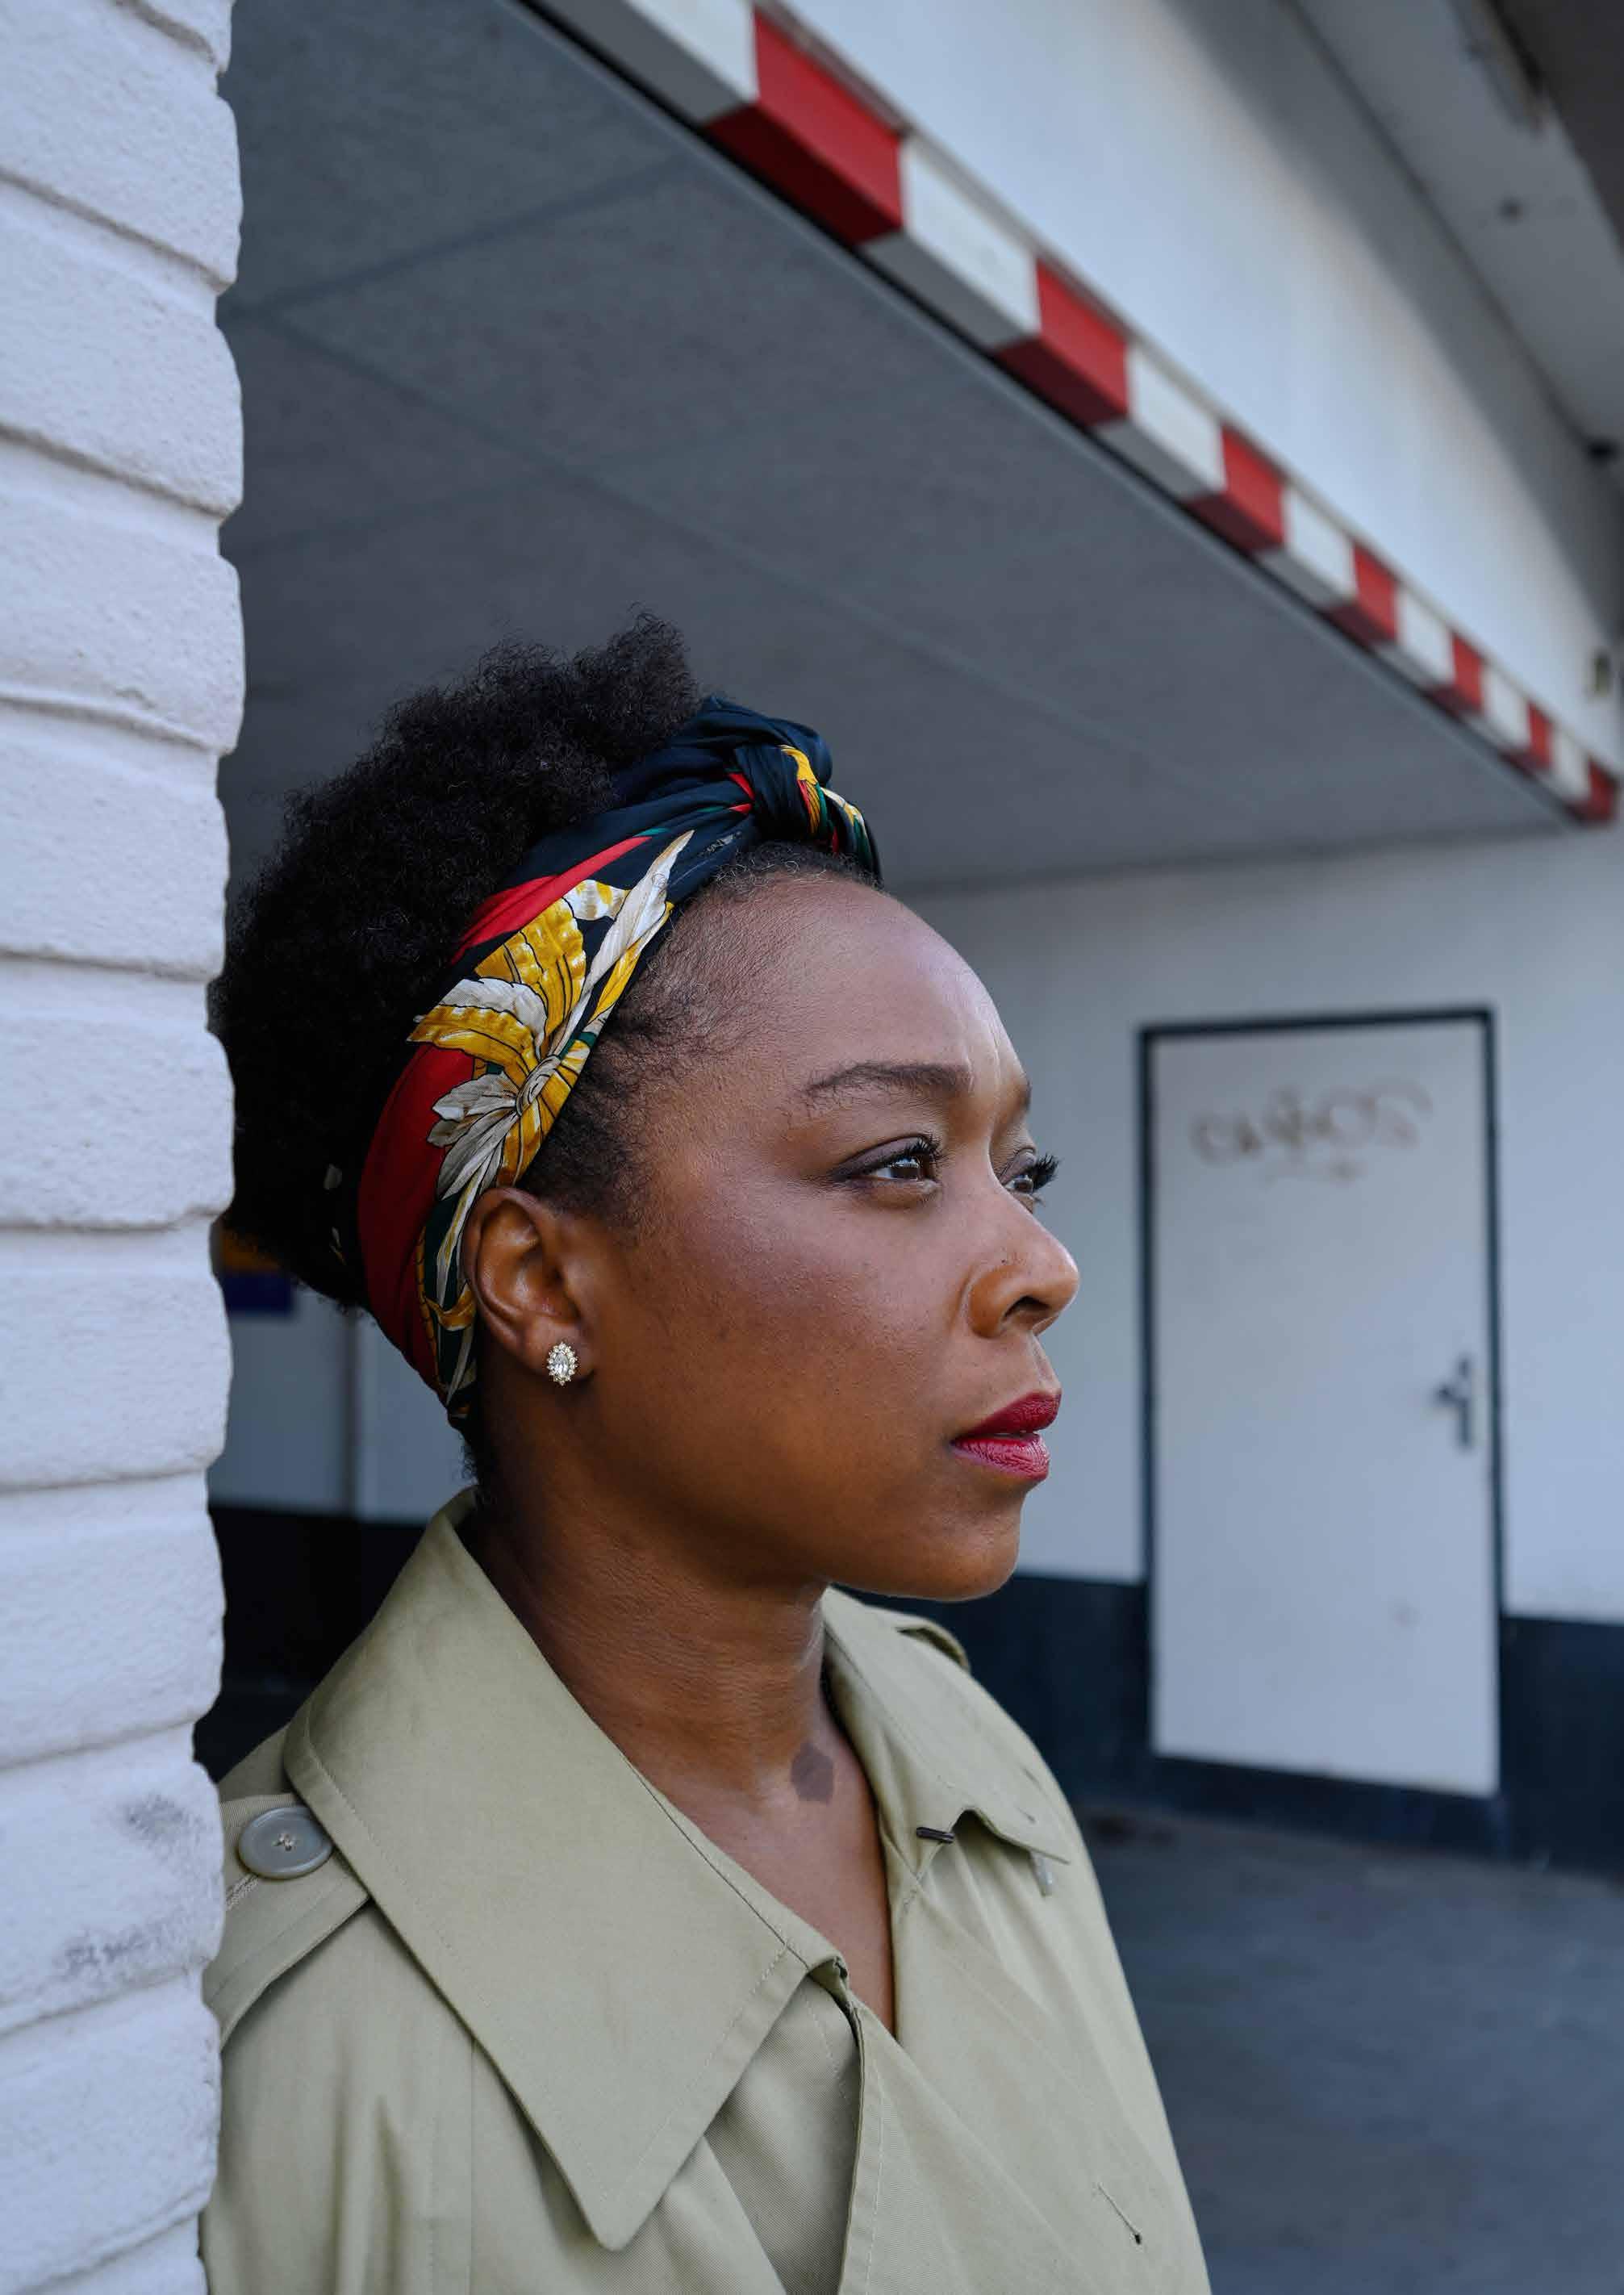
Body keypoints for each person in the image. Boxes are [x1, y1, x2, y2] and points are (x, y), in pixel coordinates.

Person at [201, 616, 1209, 2293]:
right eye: (898, 1159)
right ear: (539, 1281)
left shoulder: (976, 1768)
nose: (1041, 1266)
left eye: (1015, 1171)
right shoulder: (265, 2059)